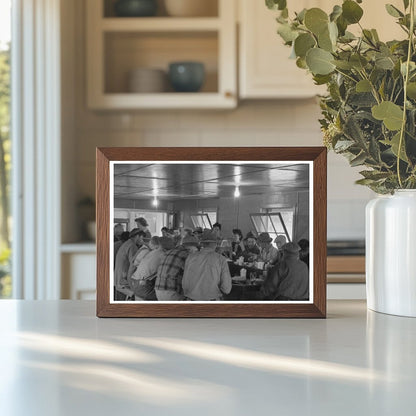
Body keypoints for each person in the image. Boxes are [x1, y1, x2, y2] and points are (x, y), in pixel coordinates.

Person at [182, 231, 232, 301]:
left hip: (192, 300)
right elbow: (226, 288)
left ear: (201, 244)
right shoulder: (220, 259)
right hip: (212, 301)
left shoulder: (190, 257)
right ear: (215, 244)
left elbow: (185, 284)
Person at [155, 236, 199, 301]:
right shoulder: (186, 254)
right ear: (191, 248)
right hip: (172, 291)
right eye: (196, 249)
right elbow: (193, 274)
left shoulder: (169, 252)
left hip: (158, 289)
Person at [130, 236, 175, 301]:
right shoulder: (164, 255)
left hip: (134, 283)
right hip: (144, 287)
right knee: (168, 295)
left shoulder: (152, 252)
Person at [114, 228, 143, 298]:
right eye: (142, 238)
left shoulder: (127, 243)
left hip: (119, 278)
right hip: (124, 280)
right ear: (137, 236)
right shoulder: (132, 246)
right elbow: (134, 264)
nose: (142, 240)